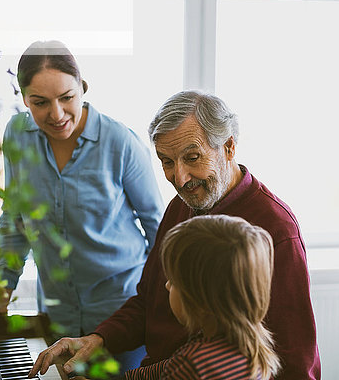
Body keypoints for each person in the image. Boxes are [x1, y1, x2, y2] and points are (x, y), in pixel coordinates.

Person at [29, 90, 321, 379]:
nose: (179, 178)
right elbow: (148, 303)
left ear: (229, 147)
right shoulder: (180, 207)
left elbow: (297, 365)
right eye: (167, 162)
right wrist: (98, 339)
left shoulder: (276, 229)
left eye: (192, 158)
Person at [0, 40, 164, 371]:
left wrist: (159, 307)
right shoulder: (17, 135)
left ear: (82, 87)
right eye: (40, 103)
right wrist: (2, 288)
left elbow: (160, 230)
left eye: (67, 98)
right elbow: (15, 218)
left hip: (120, 317)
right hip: (58, 316)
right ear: (24, 99)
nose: (56, 114)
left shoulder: (120, 142)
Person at [123, 214, 281, 379]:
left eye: (174, 281)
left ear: (200, 299)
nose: (167, 285)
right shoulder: (249, 346)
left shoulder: (194, 364)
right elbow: (163, 370)